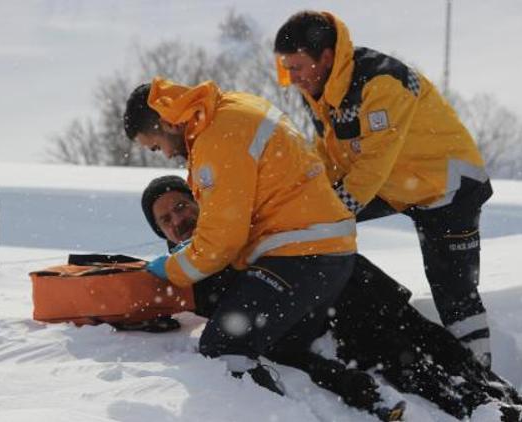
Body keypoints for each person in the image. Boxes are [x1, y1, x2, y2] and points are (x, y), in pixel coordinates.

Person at [139, 175, 522, 422]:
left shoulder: (240, 219)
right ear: (161, 233)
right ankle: (490, 413)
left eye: (181, 206)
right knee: (407, 362)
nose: (178, 219)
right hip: (327, 316)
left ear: (198, 201)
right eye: (166, 219)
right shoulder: (190, 269)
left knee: (436, 342)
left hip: (357, 286)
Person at [273, 11, 494, 367]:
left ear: (326, 57)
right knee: (313, 225)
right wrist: (304, 198)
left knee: (454, 291)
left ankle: (481, 373)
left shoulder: (380, 83)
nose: (292, 79)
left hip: (448, 186)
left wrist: (331, 209)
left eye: (296, 67)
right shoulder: (319, 88)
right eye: (286, 70)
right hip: (397, 186)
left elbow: (373, 164)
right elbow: (327, 152)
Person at [124, 77, 359, 400]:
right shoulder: (232, 108)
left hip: (299, 253)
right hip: (328, 250)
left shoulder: (216, 138)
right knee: (282, 347)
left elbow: (223, 239)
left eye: (155, 145)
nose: (163, 154)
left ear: (166, 122)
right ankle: (364, 398)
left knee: (224, 347)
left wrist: (173, 269)